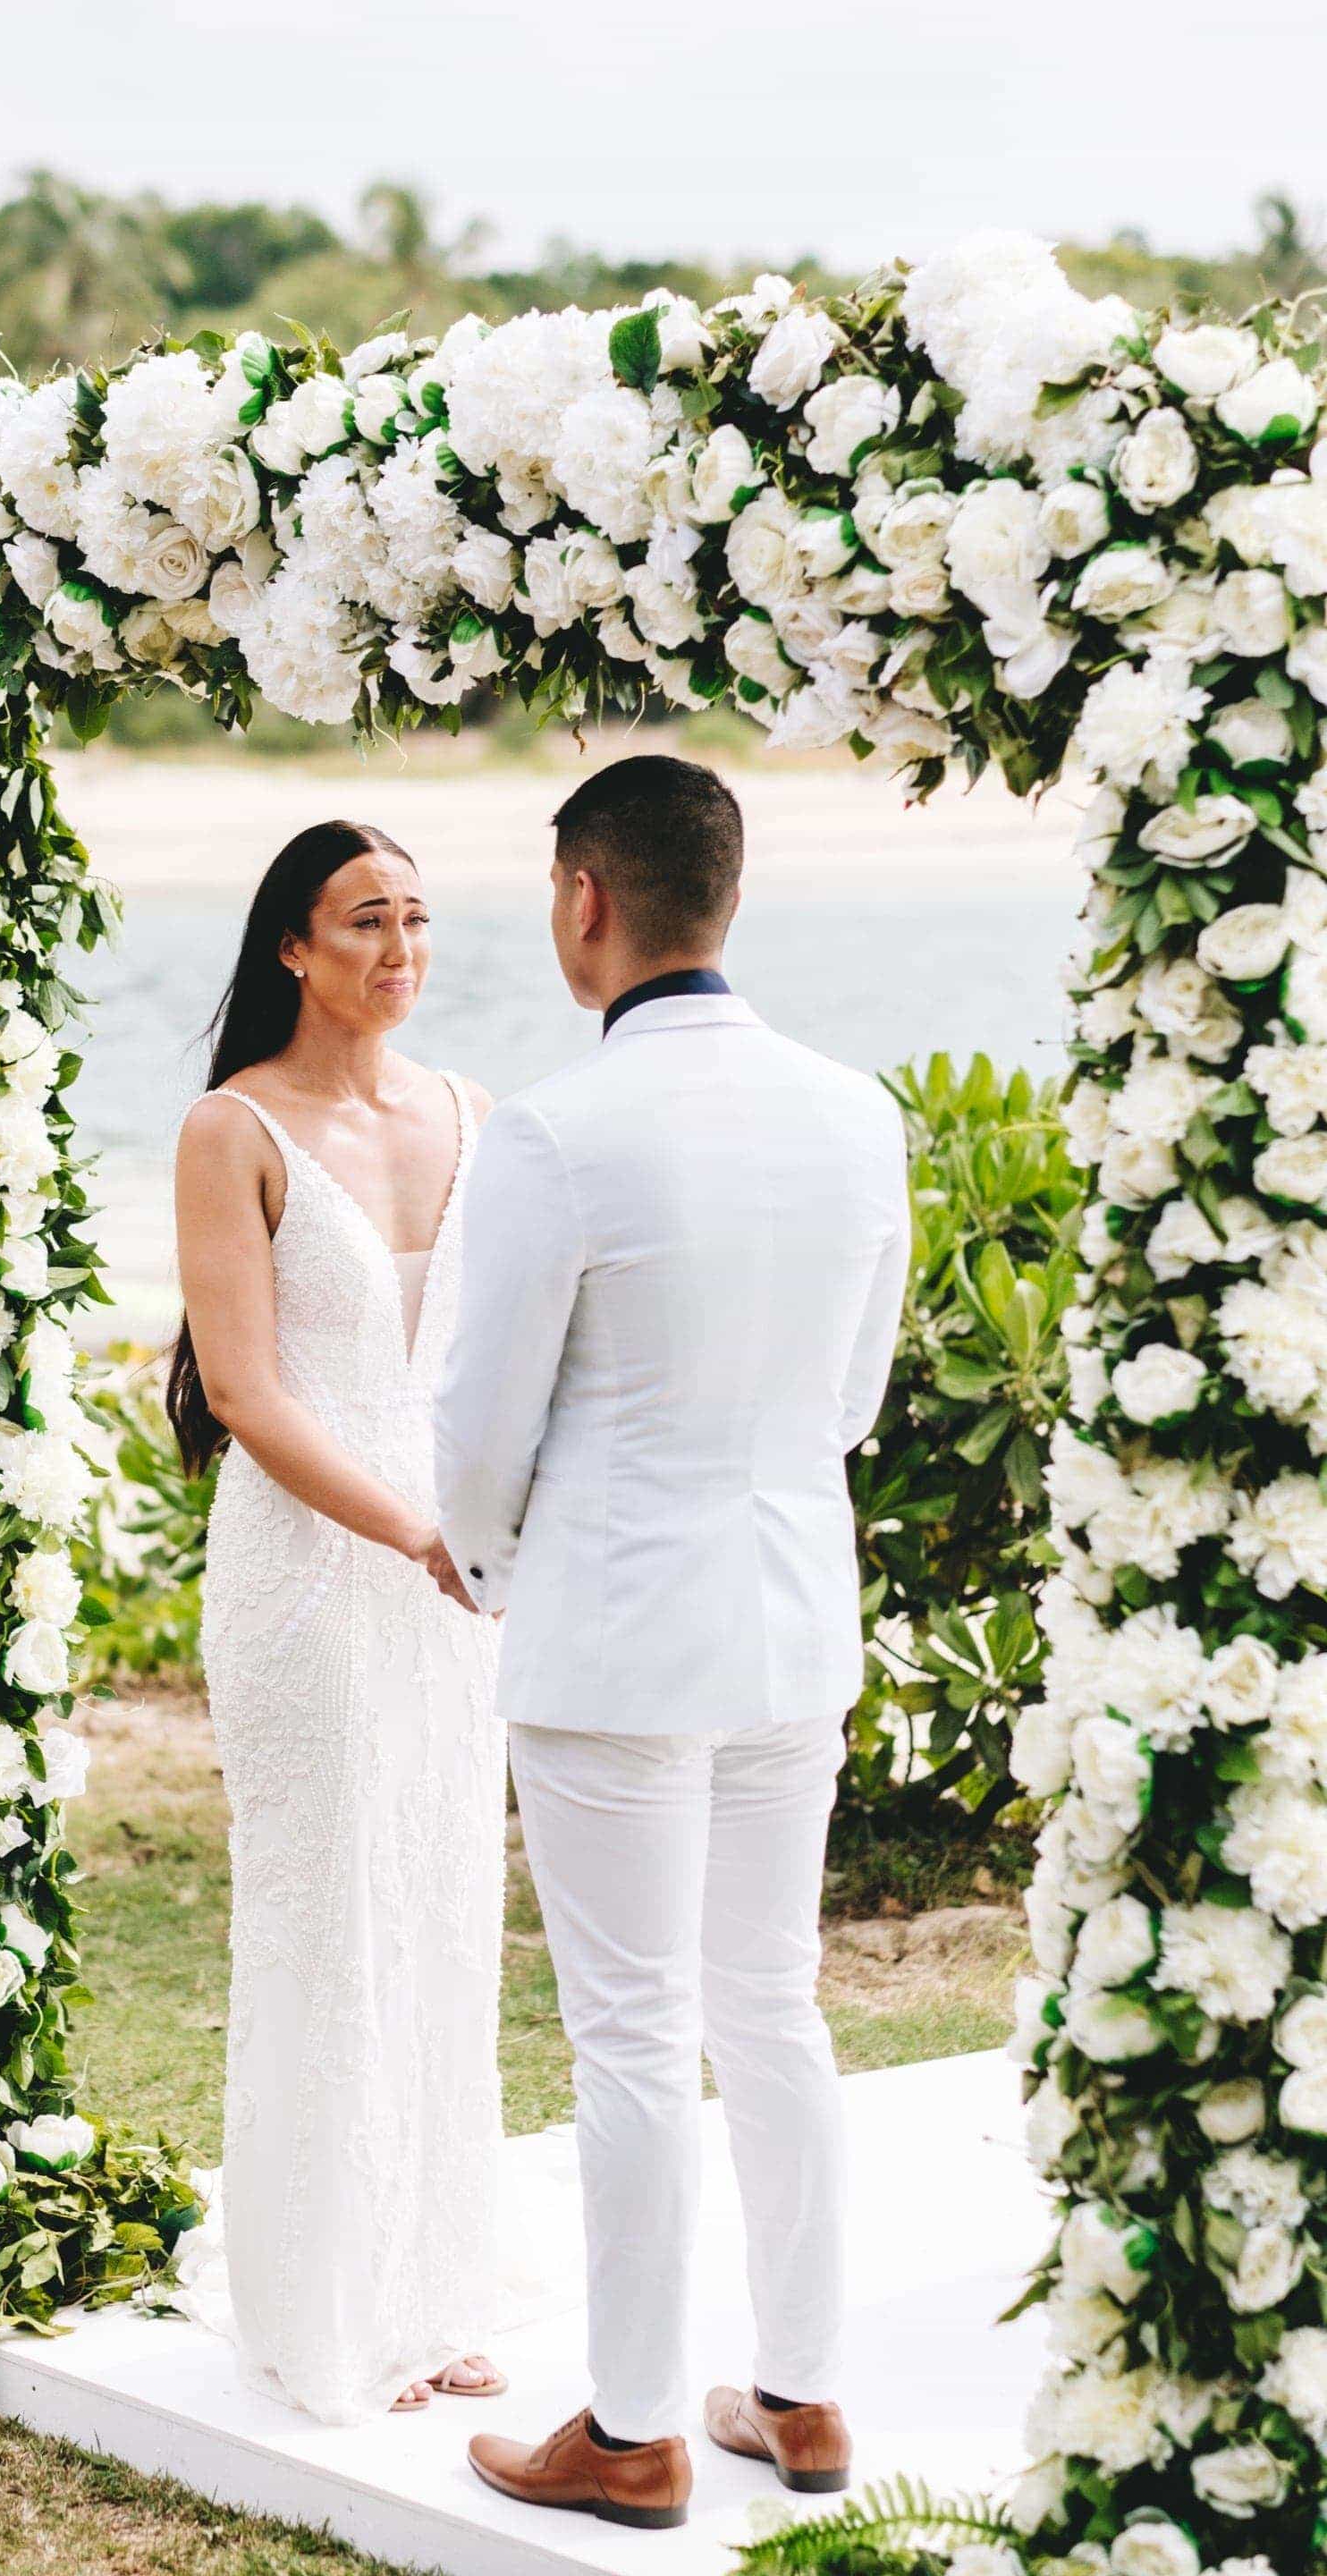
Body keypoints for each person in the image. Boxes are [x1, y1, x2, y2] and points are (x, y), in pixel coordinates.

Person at [435, 754, 909, 2523]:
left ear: (583, 899)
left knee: (632, 2034)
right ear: (728, 890)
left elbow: (482, 1431)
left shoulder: (559, 1130)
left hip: (618, 1634)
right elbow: (847, 1398)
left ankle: (631, 2428)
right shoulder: (859, 1113)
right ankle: (801, 2402)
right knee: (772, 2006)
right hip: (791, 1617)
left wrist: (480, 1565)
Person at [168, 818, 506, 2423]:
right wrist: (414, 1531)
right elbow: (245, 1392)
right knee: (327, 1919)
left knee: (439, 1906)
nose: (399, 950)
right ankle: (317, 2311)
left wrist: (488, 1533)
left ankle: (432, 2292)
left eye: (419, 920)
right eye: (366, 920)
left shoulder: (476, 1115)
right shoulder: (231, 1129)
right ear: (292, 948)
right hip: (312, 1575)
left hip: (459, 1586)